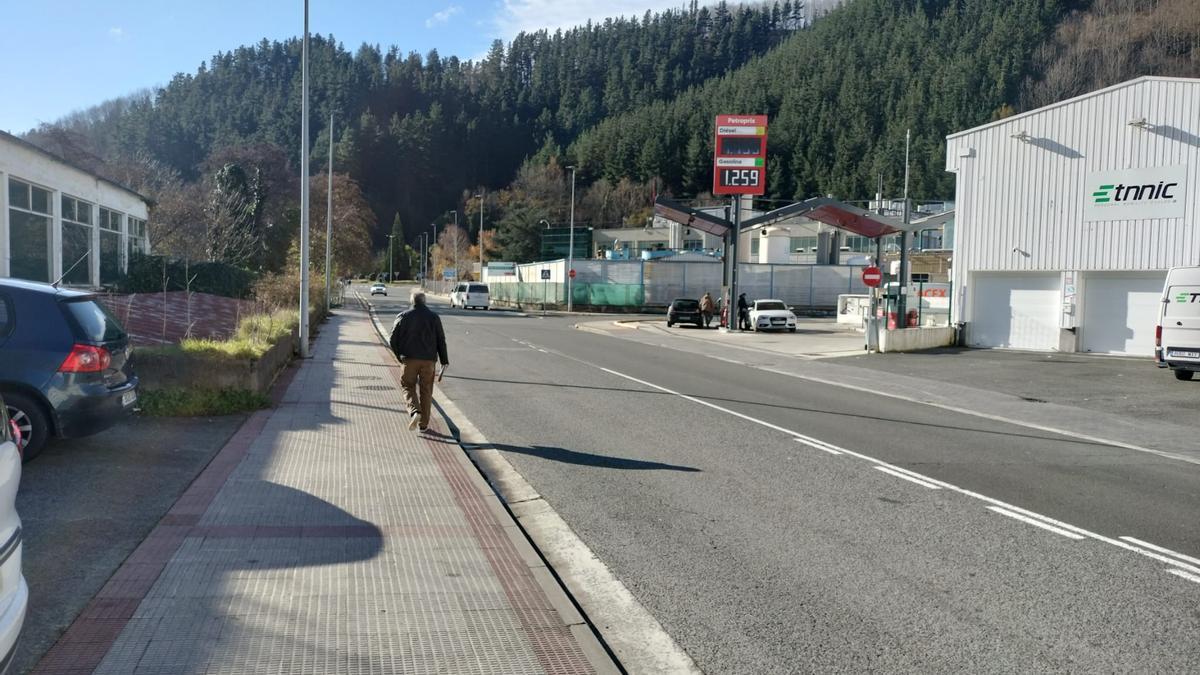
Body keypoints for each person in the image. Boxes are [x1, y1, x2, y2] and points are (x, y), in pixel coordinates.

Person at [389, 289, 449, 432]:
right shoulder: (434, 317)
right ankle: (423, 425)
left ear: (412, 301)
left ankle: (415, 411)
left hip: (409, 359)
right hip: (429, 361)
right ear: (425, 301)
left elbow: (392, 338)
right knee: (426, 391)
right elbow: (441, 340)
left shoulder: (403, 316)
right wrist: (444, 360)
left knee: (407, 386)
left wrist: (399, 356)